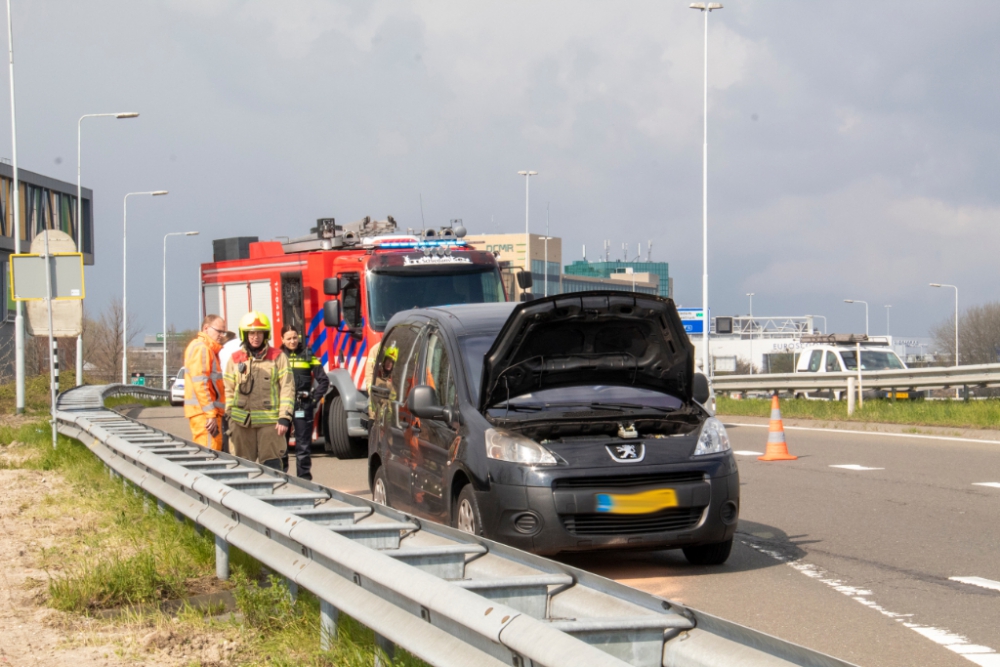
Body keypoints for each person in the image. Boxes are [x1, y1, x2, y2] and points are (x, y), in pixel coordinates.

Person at [223, 312, 294, 469]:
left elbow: (287, 389)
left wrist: (285, 417)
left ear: (265, 334)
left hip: (270, 425)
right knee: (241, 467)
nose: (256, 337)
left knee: (272, 467)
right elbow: (228, 389)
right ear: (245, 334)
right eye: (252, 333)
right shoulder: (235, 358)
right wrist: (228, 416)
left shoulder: (278, 357)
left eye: (259, 333)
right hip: (241, 425)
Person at [279, 324, 329, 480]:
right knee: (281, 446)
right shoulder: (278, 356)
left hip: (303, 404)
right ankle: (281, 479)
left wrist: (313, 399)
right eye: (289, 338)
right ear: (282, 339)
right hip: (283, 407)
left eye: (295, 337)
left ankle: (304, 481)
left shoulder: (307, 354)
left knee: (303, 447)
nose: (293, 341)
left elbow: (324, 381)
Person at [183, 315, 228, 451]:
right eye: (218, 331)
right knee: (209, 456)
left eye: (223, 332)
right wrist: (210, 414)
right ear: (206, 328)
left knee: (208, 455)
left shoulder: (204, 348)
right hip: (205, 415)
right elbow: (201, 384)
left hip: (203, 413)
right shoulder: (202, 348)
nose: (221, 335)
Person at [217, 331, 240, 453]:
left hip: (225, 393)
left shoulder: (221, 350)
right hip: (243, 394)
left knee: (225, 428)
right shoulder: (242, 346)